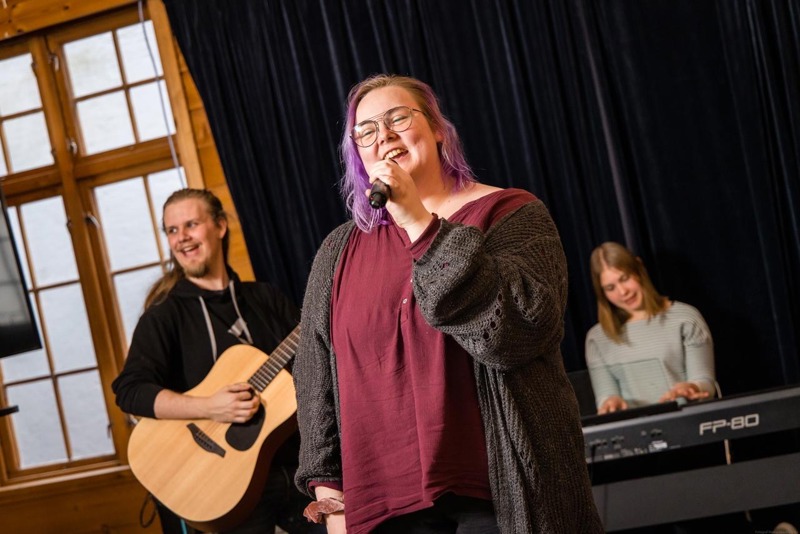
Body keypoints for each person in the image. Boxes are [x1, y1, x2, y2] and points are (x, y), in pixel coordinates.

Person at [292, 74, 603, 534]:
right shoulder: (339, 251)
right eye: (367, 131)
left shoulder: (510, 214)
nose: (385, 137)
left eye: (398, 118)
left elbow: (513, 333)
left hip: (498, 495)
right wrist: (328, 494)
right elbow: (315, 373)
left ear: (438, 129)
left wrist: (420, 223)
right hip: (383, 507)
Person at [112, 188, 321, 534]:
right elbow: (130, 391)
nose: (182, 239)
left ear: (220, 226)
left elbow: (315, 361)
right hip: (226, 486)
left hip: (301, 473)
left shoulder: (264, 298)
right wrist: (209, 407)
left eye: (191, 225)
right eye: (172, 230)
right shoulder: (165, 315)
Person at [585, 241, 717, 414]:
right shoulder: (597, 338)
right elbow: (606, 396)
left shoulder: (685, 318)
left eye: (624, 279)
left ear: (639, 269)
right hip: (635, 436)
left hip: (686, 423)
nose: (622, 292)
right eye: (610, 288)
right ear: (602, 294)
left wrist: (691, 387)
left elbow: (706, 382)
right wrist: (611, 402)